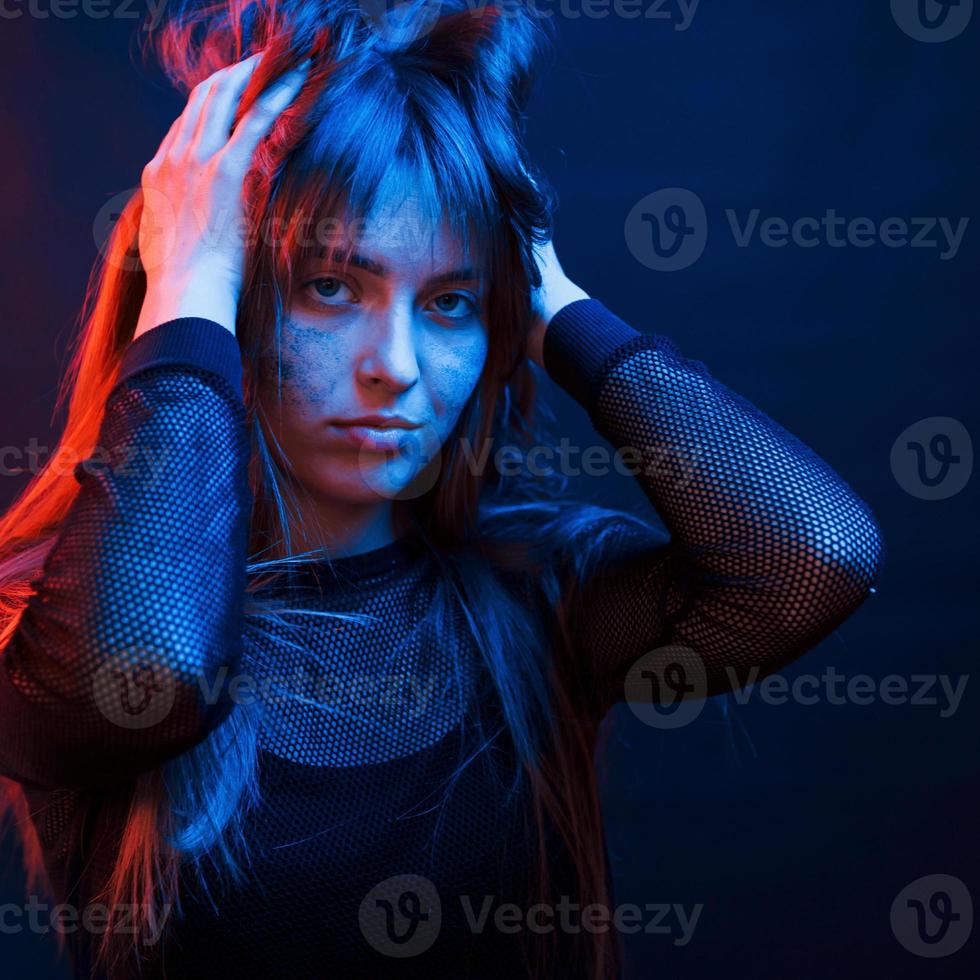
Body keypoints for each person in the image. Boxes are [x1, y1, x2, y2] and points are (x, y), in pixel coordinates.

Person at [0, 3, 883, 978]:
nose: (398, 366)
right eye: (333, 285)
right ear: (228, 296)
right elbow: (152, 665)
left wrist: (545, 289)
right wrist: (190, 274)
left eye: (450, 302)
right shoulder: (49, 615)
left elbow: (810, 558)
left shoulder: (534, 591)